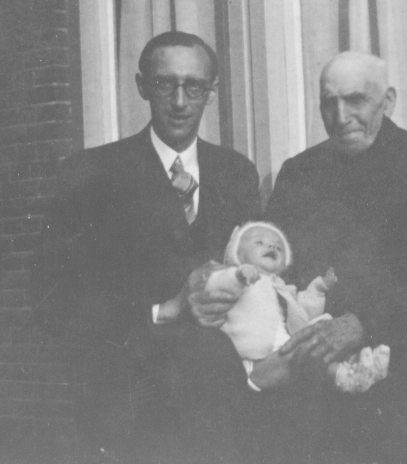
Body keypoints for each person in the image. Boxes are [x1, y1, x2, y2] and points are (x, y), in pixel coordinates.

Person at [30, 31, 261, 463]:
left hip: (224, 411)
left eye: (194, 87)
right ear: (141, 86)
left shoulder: (237, 173)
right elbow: (52, 300)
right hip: (131, 415)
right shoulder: (90, 173)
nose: (180, 101)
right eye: (165, 84)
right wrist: (163, 310)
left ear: (211, 93)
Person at [257, 50, 407, 462]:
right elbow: (273, 267)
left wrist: (365, 322)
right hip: (313, 371)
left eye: (355, 100)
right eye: (329, 103)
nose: (340, 116)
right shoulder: (299, 172)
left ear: (388, 101)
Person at [201, 221, 390, 393]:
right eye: (259, 242)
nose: (271, 246)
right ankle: (348, 377)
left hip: (282, 344)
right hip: (253, 355)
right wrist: (238, 274)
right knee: (300, 354)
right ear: (238, 253)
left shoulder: (282, 287)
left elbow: (300, 312)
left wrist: (317, 289)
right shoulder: (239, 277)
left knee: (314, 346)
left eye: (278, 247)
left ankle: (359, 368)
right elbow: (218, 285)